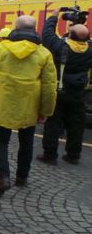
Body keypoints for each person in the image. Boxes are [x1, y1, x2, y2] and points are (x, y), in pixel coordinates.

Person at [0, 15, 57, 197]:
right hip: (29, 105)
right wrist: (46, 110)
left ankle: (3, 176)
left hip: (2, 103)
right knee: (26, 142)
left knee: (1, 140)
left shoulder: (0, 49)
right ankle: (22, 176)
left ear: (16, 28)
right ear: (35, 29)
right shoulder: (44, 53)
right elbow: (49, 86)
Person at [38, 9, 92, 165]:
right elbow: (83, 36)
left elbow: (47, 33)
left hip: (60, 93)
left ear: (69, 34)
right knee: (76, 125)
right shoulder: (90, 49)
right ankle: (73, 155)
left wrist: (55, 14)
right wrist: (81, 24)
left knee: (53, 125)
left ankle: (49, 155)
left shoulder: (60, 46)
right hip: (79, 93)